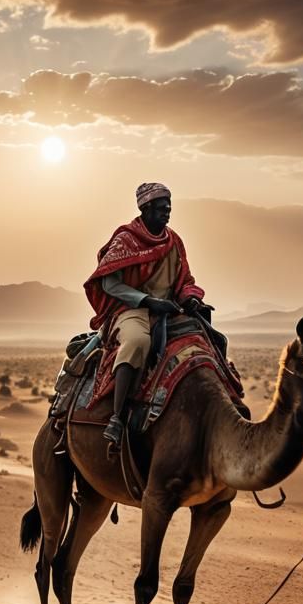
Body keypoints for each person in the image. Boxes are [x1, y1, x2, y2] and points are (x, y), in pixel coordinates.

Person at [84, 183, 213, 446]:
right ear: (146, 208)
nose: (168, 212)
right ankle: (118, 417)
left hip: (169, 309)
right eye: (162, 208)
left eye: (169, 207)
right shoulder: (125, 240)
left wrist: (190, 298)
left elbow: (185, 280)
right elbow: (110, 284)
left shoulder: (174, 241)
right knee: (137, 342)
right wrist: (147, 301)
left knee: (210, 341)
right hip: (131, 309)